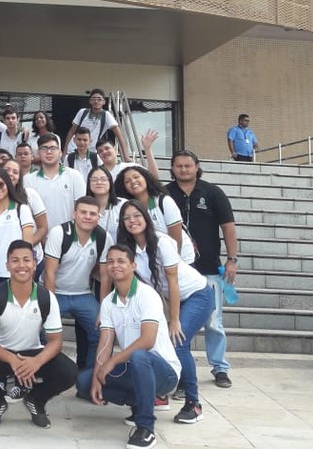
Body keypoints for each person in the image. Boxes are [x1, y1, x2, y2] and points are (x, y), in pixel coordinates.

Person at [115, 201, 214, 425]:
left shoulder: (162, 241)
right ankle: (156, 396)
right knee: (155, 342)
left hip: (197, 294)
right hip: (169, 299)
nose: (132, 220)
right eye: (127, 218)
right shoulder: (129, 250)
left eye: (137, 215)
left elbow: (173, 281)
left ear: (146, 218)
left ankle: (193, 403)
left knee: (178, 341)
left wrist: (175, 320)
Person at [78, 244, 181, 449]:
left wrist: (113, 361)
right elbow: (105, 343)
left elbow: (147, 341)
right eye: (110, 261)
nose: (115, 265)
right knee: (84, 381)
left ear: (133, 265)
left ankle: (146, 427)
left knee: (139, 356)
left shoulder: (147, 294)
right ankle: (138, 402)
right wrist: (99, 373)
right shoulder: (108, 302)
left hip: (165, 372)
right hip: (135, 368)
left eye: (121, 261)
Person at [0, 240, 78, 430]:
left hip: (32, 353)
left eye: (27, 260)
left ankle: (36, 399)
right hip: (2, 354)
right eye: (15, 260)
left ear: (35, 264)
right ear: (7, 265)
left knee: (69, 372)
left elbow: (55, 342)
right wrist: (11, 359)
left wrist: (36, 362)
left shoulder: (47, 297)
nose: (21, 265)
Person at [165, 150, 238, 389]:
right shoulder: (165, 194)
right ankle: (178, 369)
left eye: (188, 165)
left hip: (208, 269)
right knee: (177, 323)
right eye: (178, 166)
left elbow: (228, 227)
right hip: (177, 271)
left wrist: (232, 259)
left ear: (197, 167)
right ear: (173, 168)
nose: (183, 169)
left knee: (214, 322)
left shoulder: (213, 193)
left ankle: (219, 367)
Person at [44, 196, 111, 370]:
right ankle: (49, 372)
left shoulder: (103, 237)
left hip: (83, 294)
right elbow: (50, 273)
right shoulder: (59, 233)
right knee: (43, 331)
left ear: (98, 216)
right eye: (83, 212)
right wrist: (49, 306)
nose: (88, 217)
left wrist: (104, 309)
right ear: (74, 213)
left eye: (92, 214)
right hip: (56, 293)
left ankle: (89, 375)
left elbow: (105, 276)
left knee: (102, 330)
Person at [114, 166, 193, 264]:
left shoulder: (164, 201)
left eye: (136, 177)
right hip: (154, 260)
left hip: (180, 257)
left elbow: (176, 237)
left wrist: (173, 261)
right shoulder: (127, 208)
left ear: (145, 178)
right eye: (127, 181)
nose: (133, 181)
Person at [0, 168, 35, 285]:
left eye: (0, 184)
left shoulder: (22, 209)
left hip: (18, 274)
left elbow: (28, 245)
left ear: (8, 184)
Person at [24, 133, 86, 227]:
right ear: (38, 153)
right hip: (41, 238)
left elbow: (82, 208)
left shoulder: (75, 176)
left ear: (60, 153)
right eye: (44, 148)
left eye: (53, 148)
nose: (49, 152)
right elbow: (28, 213)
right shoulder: (28, 180)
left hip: (69, 236)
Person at [65, 89, 130, 160]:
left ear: (104, 102)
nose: (96, 101)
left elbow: (119, 135)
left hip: (91, 151)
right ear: (90, 101)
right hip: (73, 148)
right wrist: (64, 151)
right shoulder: (82, 112)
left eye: (99, 99)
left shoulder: (106, 115)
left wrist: (126, 156)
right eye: (94, 99)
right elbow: (71, 131)